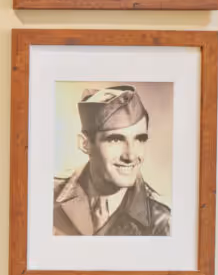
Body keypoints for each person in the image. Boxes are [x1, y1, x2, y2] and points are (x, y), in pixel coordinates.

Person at [51, 85, 171, 237]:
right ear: (85, 144)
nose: (131, 155)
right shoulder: (45, 200)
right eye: (115, 139)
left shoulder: (161, 224)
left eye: (140, 139)